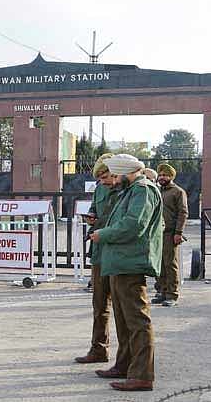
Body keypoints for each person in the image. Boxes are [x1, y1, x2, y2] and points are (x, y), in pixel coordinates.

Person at [90, 154, 162, 392]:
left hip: (131, 263)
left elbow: (134, 225)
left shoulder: (143, 190)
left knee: (137, 321)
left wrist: (103, 234)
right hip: (120, 263)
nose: (113, 178)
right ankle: (124, 365)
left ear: (123, 171)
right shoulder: (130, 191)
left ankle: (142, 375)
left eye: (115, 173)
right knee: (123, 321)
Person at [75, 153, 120, 364]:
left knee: (123, 307)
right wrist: (91, 217)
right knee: (99, 304)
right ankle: (99, 349)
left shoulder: (127, 189)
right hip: (100, 251)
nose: (103, 181)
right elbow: (94, 207)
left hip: (119, 252)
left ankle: (127, 358)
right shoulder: (100, 188)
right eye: (100, 178)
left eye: (106, 176)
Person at [152, 163, 188, 307]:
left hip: (170, 233)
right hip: (157, 233)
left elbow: (183, 213)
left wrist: (178, 232)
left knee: (170, 264)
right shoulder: (157, 191)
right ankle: (162, 291)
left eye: (165, 175)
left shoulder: (178, 192)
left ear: (171, 176)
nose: (161, 177)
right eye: (160, 175)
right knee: (159, 264)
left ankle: (172, 295)